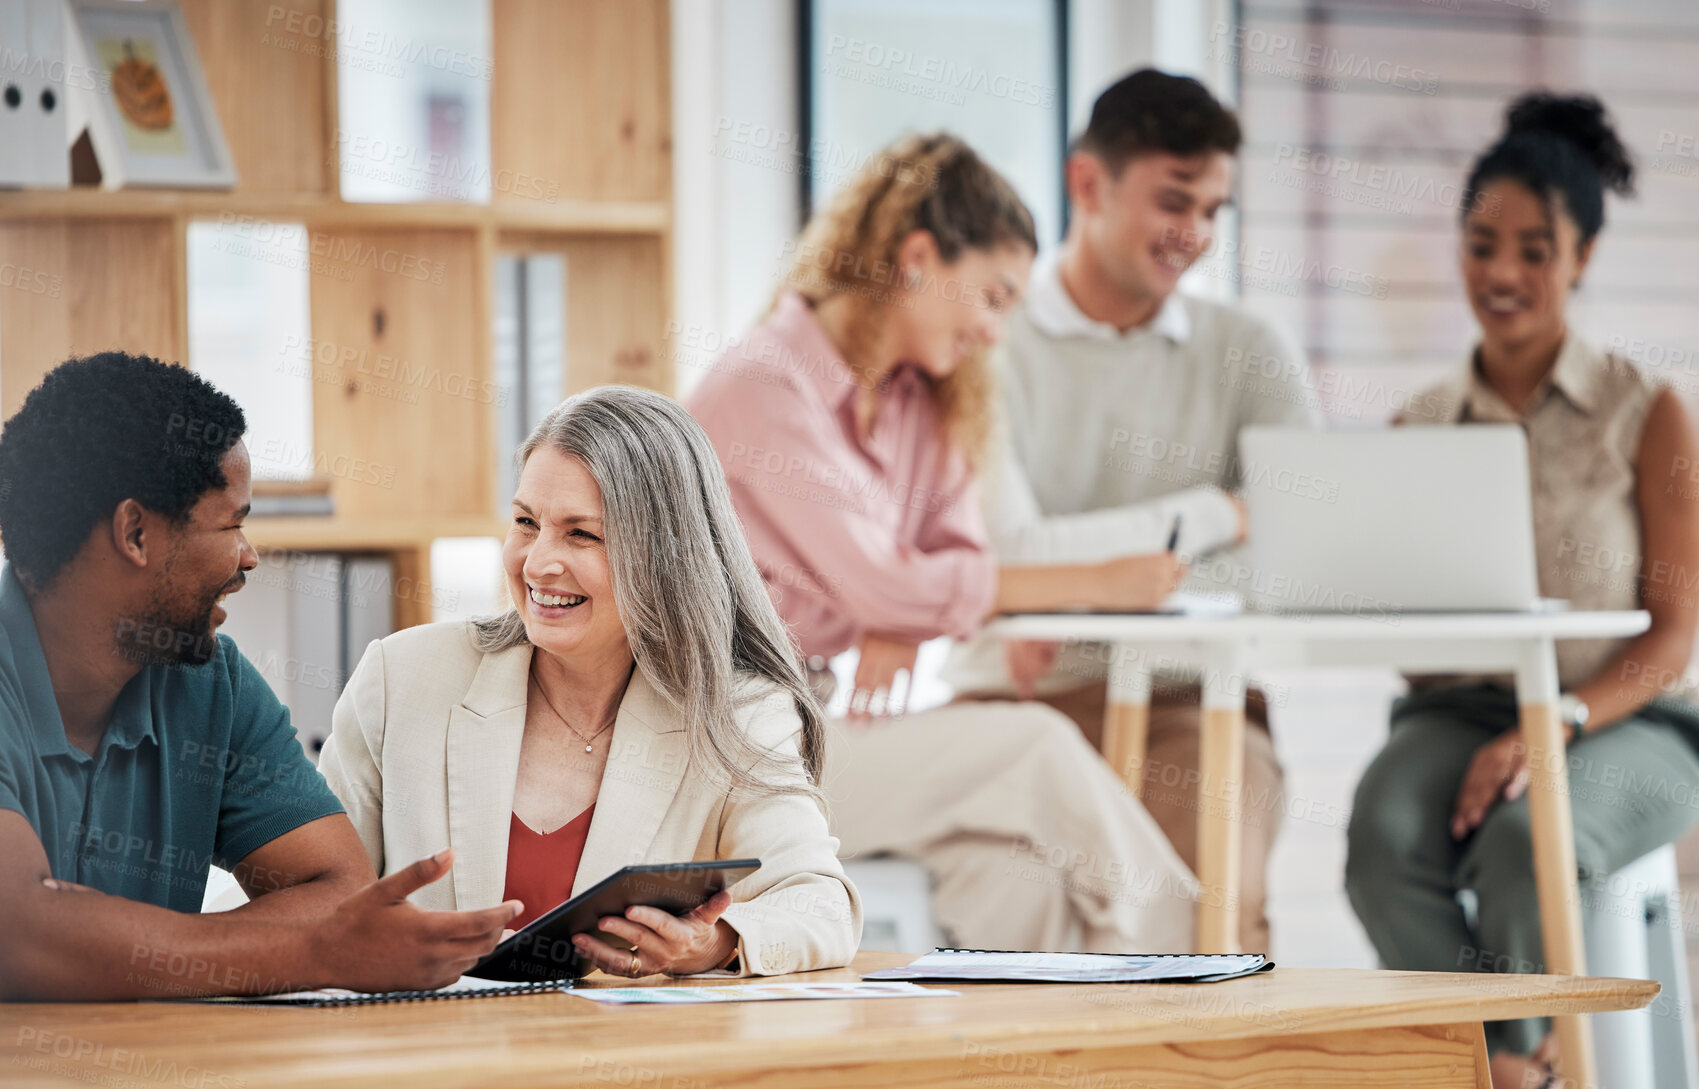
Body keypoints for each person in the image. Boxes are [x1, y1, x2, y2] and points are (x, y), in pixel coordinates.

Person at [0, 353, 521, 1004]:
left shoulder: (213, 682)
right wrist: (312, 950)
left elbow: (333, 889)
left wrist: (103, 939)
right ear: (135, 532)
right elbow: (18, 942)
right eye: (231, 523)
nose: (249, 556)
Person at [687, 132, 1196, 954]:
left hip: (809, 725)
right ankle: (1203, 965)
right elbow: (897, 579)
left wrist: (896, 610)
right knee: (1035, 749)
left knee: (1007, 878)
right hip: (728, 754)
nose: (996, 333)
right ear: (917, 256)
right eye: (992, 297)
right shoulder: (766, 385)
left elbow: (938, 556)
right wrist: (1092, 580)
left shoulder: (921, 401)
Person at [1345, 93, 1699, 1089]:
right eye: (1480, 244)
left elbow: (1673, 635)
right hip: (1456, 712)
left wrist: (1548, 731)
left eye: (1533, 249)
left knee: (1521, 837)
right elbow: (1414, 642)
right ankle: (1497, 1056)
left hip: (1632, 719)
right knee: (1381, 840)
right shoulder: (1420, 426)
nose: (1501, 273)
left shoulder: (1646, 413)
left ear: (1579, 257)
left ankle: (1507, 1060)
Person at [940, 70, 1321, 955]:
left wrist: (1066, 592)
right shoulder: (990, 340)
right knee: (1022, 916)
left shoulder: (1249, 353)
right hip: (1020, 695)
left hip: (1196, 698)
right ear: (1086, 184)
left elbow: (1301, 553)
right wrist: (1221, 515)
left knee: (1212, 904)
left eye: (1213, 210)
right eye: (1172, 200)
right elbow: (1006, 550)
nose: (1193, 233)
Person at [319, 386, 860, 978]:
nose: (536, 563)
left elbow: (820, 905)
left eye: (582, 534)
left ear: (666, 557)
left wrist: (716, 943)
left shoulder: (742, 712)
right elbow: (300, 899)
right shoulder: (404, 677)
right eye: (527, 522)